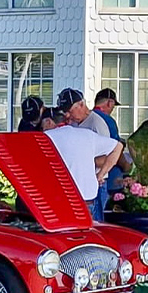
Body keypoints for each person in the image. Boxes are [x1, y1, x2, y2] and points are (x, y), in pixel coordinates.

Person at [45, 112, 122, 220]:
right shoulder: (87, 135)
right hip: (87, 201)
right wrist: (101, 174)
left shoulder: (46, 137)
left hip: (57, 202)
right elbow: (117, 147)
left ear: (49, 122)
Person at [56, 87, 115, 217]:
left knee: (95, 222)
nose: (67, 116)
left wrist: (98, 172)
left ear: (81, 104)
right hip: (79, 183)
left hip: (96, 184)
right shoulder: (74, 123)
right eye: (65, 112)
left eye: (70, 111)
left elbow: (108, 155)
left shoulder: (96, 124)